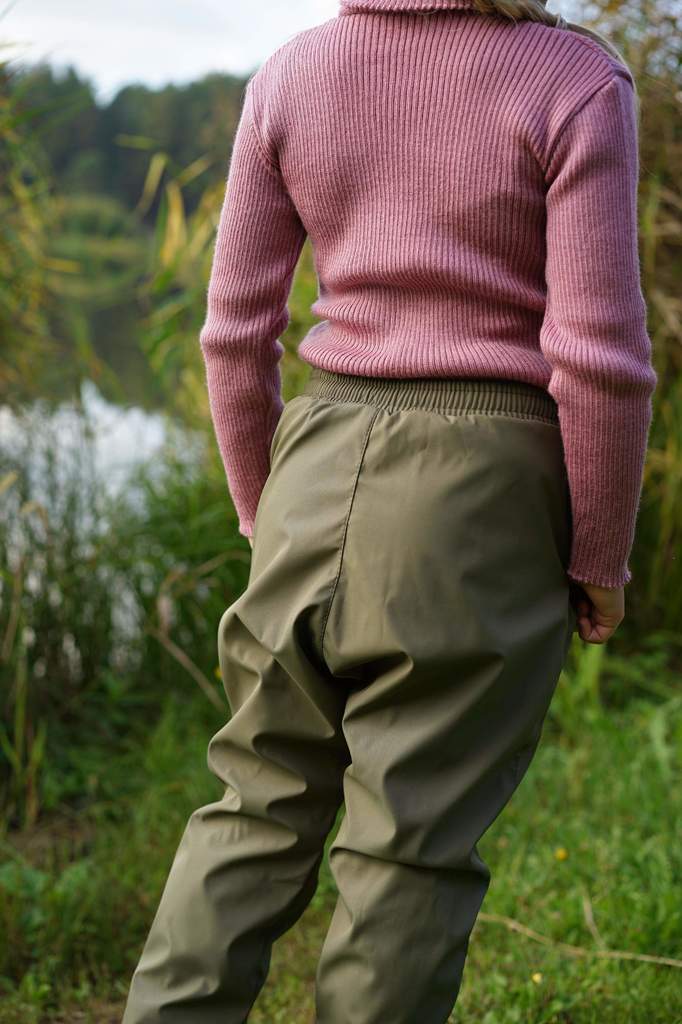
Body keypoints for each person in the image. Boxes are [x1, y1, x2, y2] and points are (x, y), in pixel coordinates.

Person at [121, 0, 658, 1021]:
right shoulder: (571, 79)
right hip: (480, 493)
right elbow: (598, 359)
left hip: (314, 459)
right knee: (409, 840)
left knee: (255, 803)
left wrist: (264, 515)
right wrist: (600, 554)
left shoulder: (293, 74)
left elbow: (234, 332)